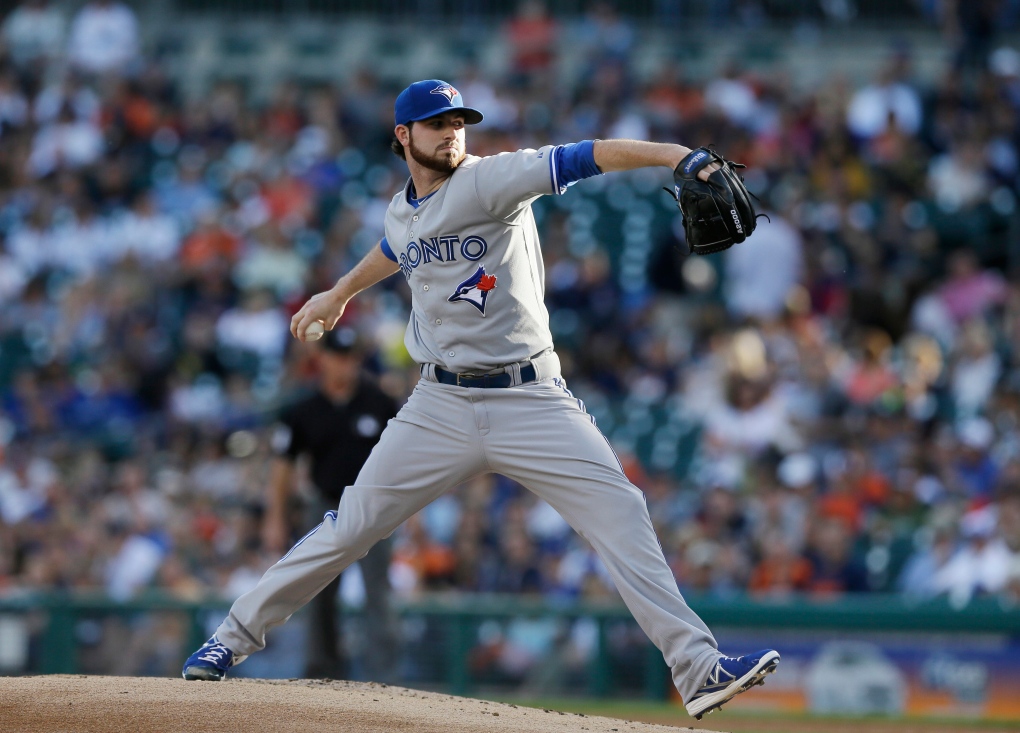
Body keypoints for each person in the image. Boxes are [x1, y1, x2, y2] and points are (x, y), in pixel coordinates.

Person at [183, 79, 780, 720]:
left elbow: (590, 155)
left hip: (532, 399)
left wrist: (676, 156)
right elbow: (397, 245)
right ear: (402, 137)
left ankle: (698, 668)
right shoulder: (401, 208)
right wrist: (341, 293)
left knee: (622, 513)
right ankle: (229, 640)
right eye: (437, 123)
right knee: (350, 525)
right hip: (438, 405)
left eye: (459, 120)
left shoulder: (492, 179)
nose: (452, 131)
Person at [264, 326, 399, 680]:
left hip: (374, 506)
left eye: (351, 357)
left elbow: (403, 456)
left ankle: (381, 677)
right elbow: (282, 467)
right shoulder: (303, 410)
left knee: (377, 593)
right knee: (318, 591)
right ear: (322, 359)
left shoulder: (379, 401)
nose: (345, 365)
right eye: (338, 357)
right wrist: (275, 517)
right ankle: (322, 673)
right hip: (324, 506)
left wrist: (410, 514)